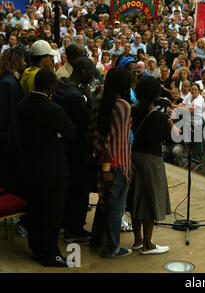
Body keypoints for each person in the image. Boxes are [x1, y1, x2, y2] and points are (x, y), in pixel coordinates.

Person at [18, 68, 76, 267]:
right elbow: (71, 133)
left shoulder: (22, 105)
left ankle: (37, 249)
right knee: (52, 212)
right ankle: (51, 253)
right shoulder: (54, 109)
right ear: (51, 86)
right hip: (53, 169)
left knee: (34, 210)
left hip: (29, 167)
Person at [89, 67, 133, 258]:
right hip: (118, 164)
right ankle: (111, 248)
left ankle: (96, 239)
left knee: (104, 201)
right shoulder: (123, 106)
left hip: (101, 161)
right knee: (116, 207)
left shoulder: (99, 100)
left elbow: (95, 133)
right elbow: (116, 140)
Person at [52, 57, 96, 243]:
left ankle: (64, 223)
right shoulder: (76, 97)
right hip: (77, 151)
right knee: (79, 191)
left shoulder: (61, 85)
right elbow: (86, 125)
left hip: (62, 148)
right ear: (84, 72)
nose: (93, 76)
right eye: (92, 73)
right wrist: (89, 99)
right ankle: (74, 230)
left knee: (68, 190)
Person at [130, 76, 175, 255]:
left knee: (135, 198)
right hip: (151, 160)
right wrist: (170, 122)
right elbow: (171, 139)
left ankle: (137, 240)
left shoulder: (132, 110)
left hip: (133, 156)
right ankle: (148, 244)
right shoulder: (158, 116)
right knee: (149, 200)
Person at [0, 48, 26, 195]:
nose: (25, 63)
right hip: (8, 146)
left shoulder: (10, 81)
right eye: (22, 60)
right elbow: (7, 119)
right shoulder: (8, 83)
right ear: (16, 60)